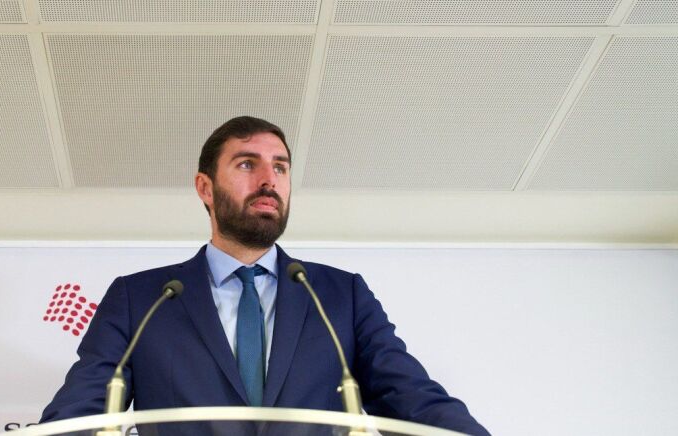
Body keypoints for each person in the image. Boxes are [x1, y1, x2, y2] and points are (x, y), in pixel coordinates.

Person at [41, 116, 490, 435]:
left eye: (280, 167)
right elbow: (79, 413)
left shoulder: (340, 296)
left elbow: (409, 396)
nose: (269, 180)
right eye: (246, 164)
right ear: (205, 188)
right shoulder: (140, 298)